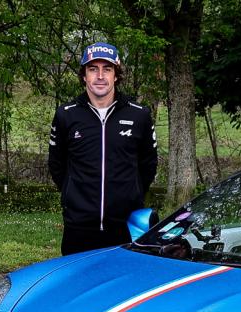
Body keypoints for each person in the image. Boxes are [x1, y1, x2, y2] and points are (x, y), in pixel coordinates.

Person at [48, 42, 158, 255]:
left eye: (107, 69)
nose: (100, 76)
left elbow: (148, 165)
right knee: (77, 277)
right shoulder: (66, 115)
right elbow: (56, 164)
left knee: (122, 277)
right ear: (84, 76)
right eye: (93, 69)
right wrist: (74, 196)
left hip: (125, 227)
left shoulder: (139, 115)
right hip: (78, 227)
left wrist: (131, 195)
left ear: (116, 75)